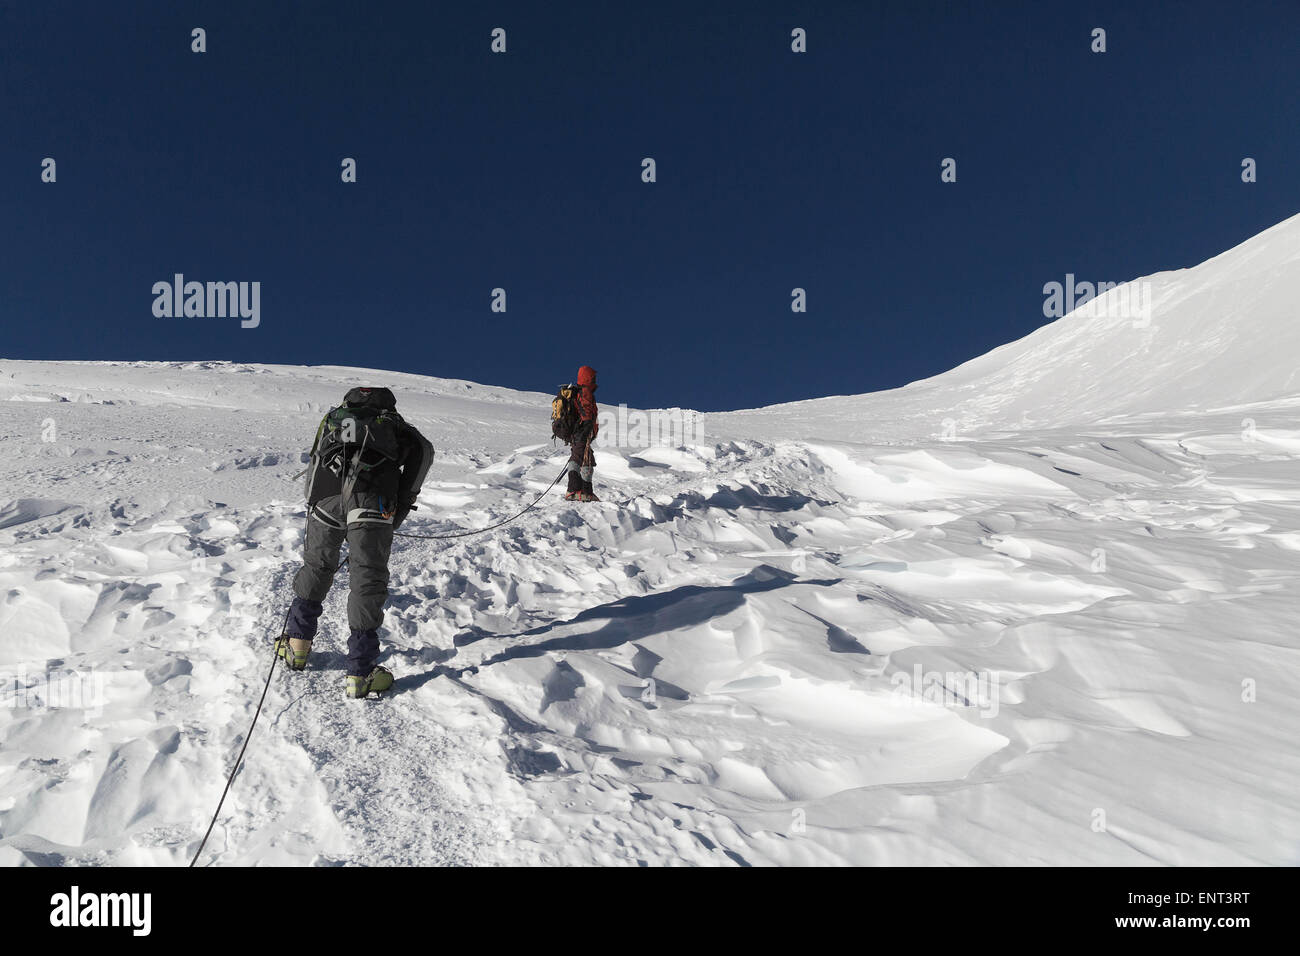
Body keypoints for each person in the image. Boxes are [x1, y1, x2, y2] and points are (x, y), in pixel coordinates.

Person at [278, 386, 433, 698]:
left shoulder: (334, 420)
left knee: (317, 566)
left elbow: (315, 460)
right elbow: (423, 455)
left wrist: (314, 503)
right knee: (367, 577)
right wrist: (396, 511)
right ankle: (360, 672)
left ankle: (297, 646)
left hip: (325, 500)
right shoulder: (397, 427)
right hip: (373, 502)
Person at [565, 365, 600, 502]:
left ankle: (584, 491)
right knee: (580, 458)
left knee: (586, 459)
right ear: (588, 377)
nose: (595, 379)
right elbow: (586, 412)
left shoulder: (580, 391)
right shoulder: (585, 392)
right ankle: (574, 491)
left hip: (578, 432)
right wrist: (587, 428)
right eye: (593, 377)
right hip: (582, 432)